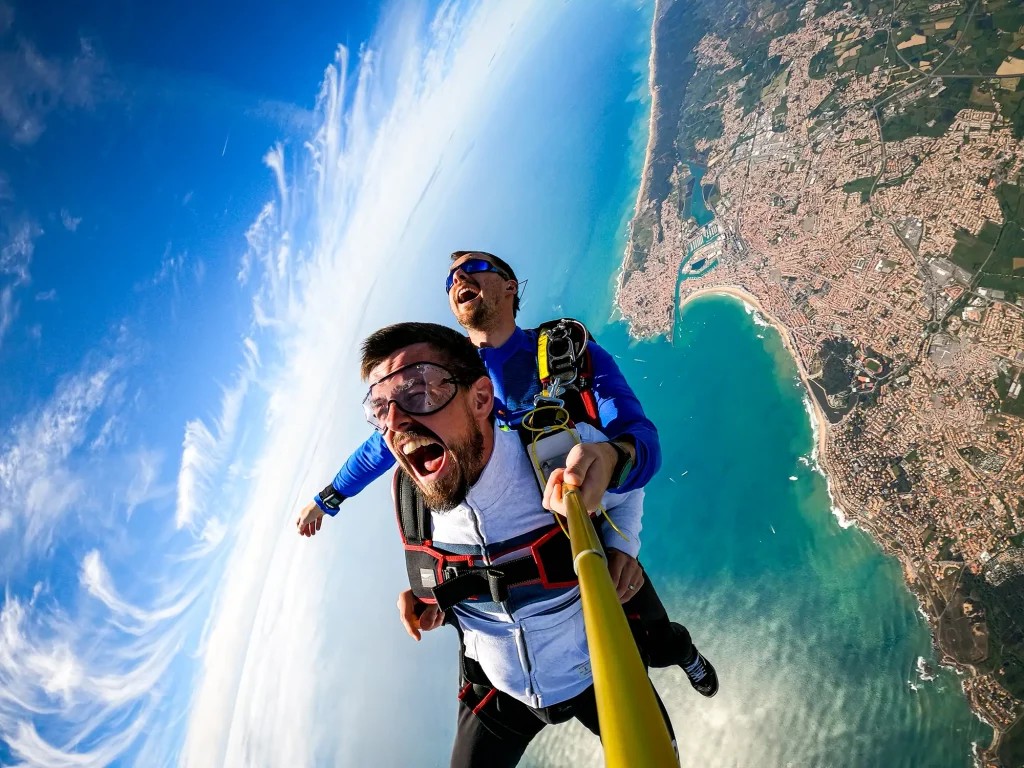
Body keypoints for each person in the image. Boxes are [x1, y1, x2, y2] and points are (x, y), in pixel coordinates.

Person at [297, 251, 718, 697]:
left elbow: (640, 439)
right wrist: (325, 500)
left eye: (473, 268)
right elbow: (382, 444)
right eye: (450, 278)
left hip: (587, 526)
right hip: (509, 542)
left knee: (651, 631)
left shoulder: (566, 355)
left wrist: (615, 481)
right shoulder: (446, 388)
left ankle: (686, 655)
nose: (457, 276)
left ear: (509, 286)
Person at [359, 321, 675, 767]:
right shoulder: (411, 501)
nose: (393, 423)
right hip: (498, 689)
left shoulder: (555, 455)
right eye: (379, 408)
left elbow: (627, 489)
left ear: (481, 399)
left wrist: (624, 546)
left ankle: (679, 651)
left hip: (595, 670)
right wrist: (433, 599)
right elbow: (456, 564)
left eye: (420, 391)